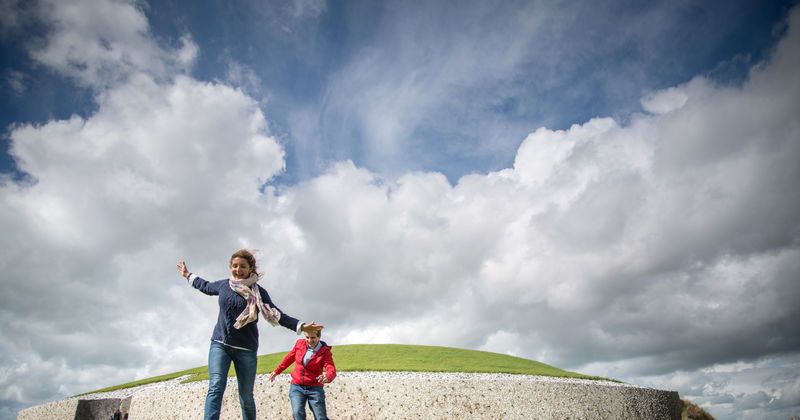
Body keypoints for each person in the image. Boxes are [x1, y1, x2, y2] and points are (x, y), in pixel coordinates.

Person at [177, 249, 323, 420]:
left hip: (245, 350)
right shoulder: (224, 285)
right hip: (220, 343)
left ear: (250, 268)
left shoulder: (259, 292)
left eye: (242, 266)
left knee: (246, 396)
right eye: (235, 266)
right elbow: (206, 286)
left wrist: (302, 326)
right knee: (216, 386)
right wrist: (188, 275)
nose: (238, 270)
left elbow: (278, 315)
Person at [269, 329, 336, 420]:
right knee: (297, 413)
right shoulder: (299, 344)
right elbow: (289, 358)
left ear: (319, 337)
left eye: (313, 337)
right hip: (297, 387)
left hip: (315, 388)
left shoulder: (325, 351)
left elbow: (330, 367)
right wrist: (277, 371)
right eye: (307, 337)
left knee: (321, 417)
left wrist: (327, 376)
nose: (309, 340)